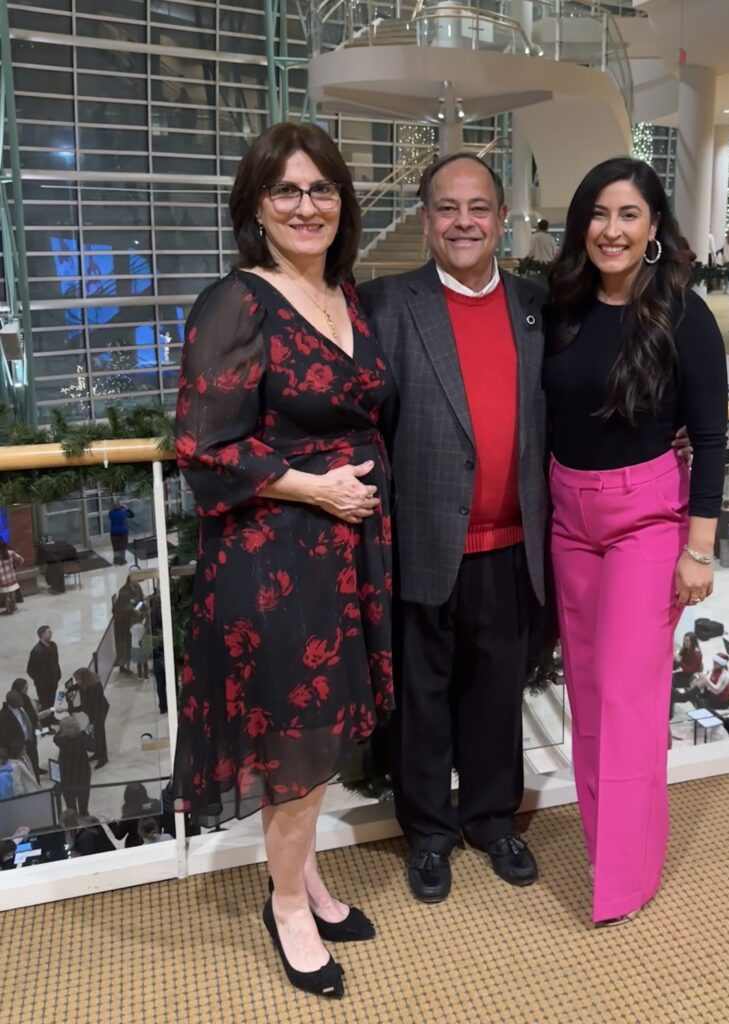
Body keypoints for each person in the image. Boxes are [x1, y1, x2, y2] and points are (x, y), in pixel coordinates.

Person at [172, 121, 392, 998]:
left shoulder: (345, 295)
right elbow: (202, 447)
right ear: (256, 207)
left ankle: (304, 878)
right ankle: (288, 907)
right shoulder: (238, 301)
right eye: (287, 191)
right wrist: (318, 488)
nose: (307, 206)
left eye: (322, 189)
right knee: (296, 743)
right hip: (274, 559)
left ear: (343, 203)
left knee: (324, 735)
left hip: (346, 552)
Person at [356, 154, 547, 905]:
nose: (462, 221)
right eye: (445, 208)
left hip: (511, 548)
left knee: (497, 693)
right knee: (422, 701)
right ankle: (429, 833)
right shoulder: (385, 304)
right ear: (424, 218)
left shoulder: (536, 306)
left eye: (477, 207)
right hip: (422, 544)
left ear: (501, 217)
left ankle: (492, 818)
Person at [543, 157, 728, 925]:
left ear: (654, 228)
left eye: (627, 215)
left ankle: (623, 879)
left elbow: (712, 441)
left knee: (626, 696)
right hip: (566, 516)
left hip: (645, 519)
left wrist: (699, 549)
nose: (610, 230)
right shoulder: (563, 306)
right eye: (597, 214)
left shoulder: (684, 314)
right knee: (585, 693)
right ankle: (603, 844)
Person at [53, 715, 94, 816]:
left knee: (71, 807)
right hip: (82, 776)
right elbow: (93, 747)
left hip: (66, 778)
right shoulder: (83, 738)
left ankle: (73, 825)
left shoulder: (60, 740)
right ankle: (85, 820)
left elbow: (56, 736)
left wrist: (63, 729)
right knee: (83, 807)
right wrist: (88, 733)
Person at [72, 668, 110, 769]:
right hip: (92, 713)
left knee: (100, 734)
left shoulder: (95, 687)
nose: (76, 682)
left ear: (84, 679)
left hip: (99, 712)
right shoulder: (84, 685)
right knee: (96, 733)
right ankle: (98, 752)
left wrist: (67, 709)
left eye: (77, 679)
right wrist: (69, 689)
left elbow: (85, 706)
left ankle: (103, 757)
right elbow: (78, 686)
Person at [0, 689, 40, 778]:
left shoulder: (21, 708)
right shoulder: (3, 717)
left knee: (33, 765)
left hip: (29, 742)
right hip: (17, 749)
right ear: (12, 702)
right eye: (19, 700)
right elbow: (2, 737)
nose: (22, 702)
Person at [26, 625, 61, 712]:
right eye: (49, 632)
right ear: (42, 634)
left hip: (53, 681)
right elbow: (30, 670)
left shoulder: (53, 646)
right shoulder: (36, 651)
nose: (51, 633)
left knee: (52, 702)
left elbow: (56, 662)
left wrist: (57, 675)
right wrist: (40, 680)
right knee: (45, 704)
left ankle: (52, 717)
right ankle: (46, 721)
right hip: (43, 685)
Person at [0, 538, 24, 614]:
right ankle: (13, 607)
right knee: (12, 593)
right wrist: (16, 567)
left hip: (2, 579)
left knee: (6, 595)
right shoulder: (10, 553)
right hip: (11, 577)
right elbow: (21, 559)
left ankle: (8, 609)